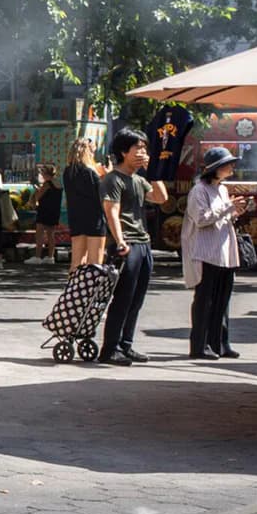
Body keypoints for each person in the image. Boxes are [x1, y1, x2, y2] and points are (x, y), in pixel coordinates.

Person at [98, 128, 167, 365]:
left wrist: (153, 171)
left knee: (137, 299)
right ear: (123, 151)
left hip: (144, 243)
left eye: (144, 148)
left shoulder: (138, 180)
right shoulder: (113, 179)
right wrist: (120, 242)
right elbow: (111, 212)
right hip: (127, 244)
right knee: (123, 298)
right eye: (138, 148)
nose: (142, 152)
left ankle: (126, 345)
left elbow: (161, 198)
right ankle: (110, 348)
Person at [183, 146, 243, 360]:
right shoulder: (199, 191)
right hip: (206, 252)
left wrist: (234, 212)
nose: (231, 167)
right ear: (215, 168)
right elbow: (201, 219)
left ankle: (220, 343)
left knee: (222, 300)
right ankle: (200, 345)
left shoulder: (222, 189)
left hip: (224, 252)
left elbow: (221, 216)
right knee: (205, 300)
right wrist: (228, 208)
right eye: (227, 164)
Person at [63, 136, 108, 267]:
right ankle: (92, 287)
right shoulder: (90, 172)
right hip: (94, 219)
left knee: (77, 262)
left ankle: (74, 286)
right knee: (95, 263)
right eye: (92, 152)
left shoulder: (68, 171)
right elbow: (102, 195)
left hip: (76, 218)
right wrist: (105, 175)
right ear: (87, 152)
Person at [32, 163, 62, 262]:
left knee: (39, 233)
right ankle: (50, 257)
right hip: (54, 211)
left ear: (46, 174)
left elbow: (38, 196)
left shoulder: (47, 184)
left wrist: (36, 189)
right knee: (51, 234)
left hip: (44, 210)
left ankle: (37, 257)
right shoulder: (58, 184)